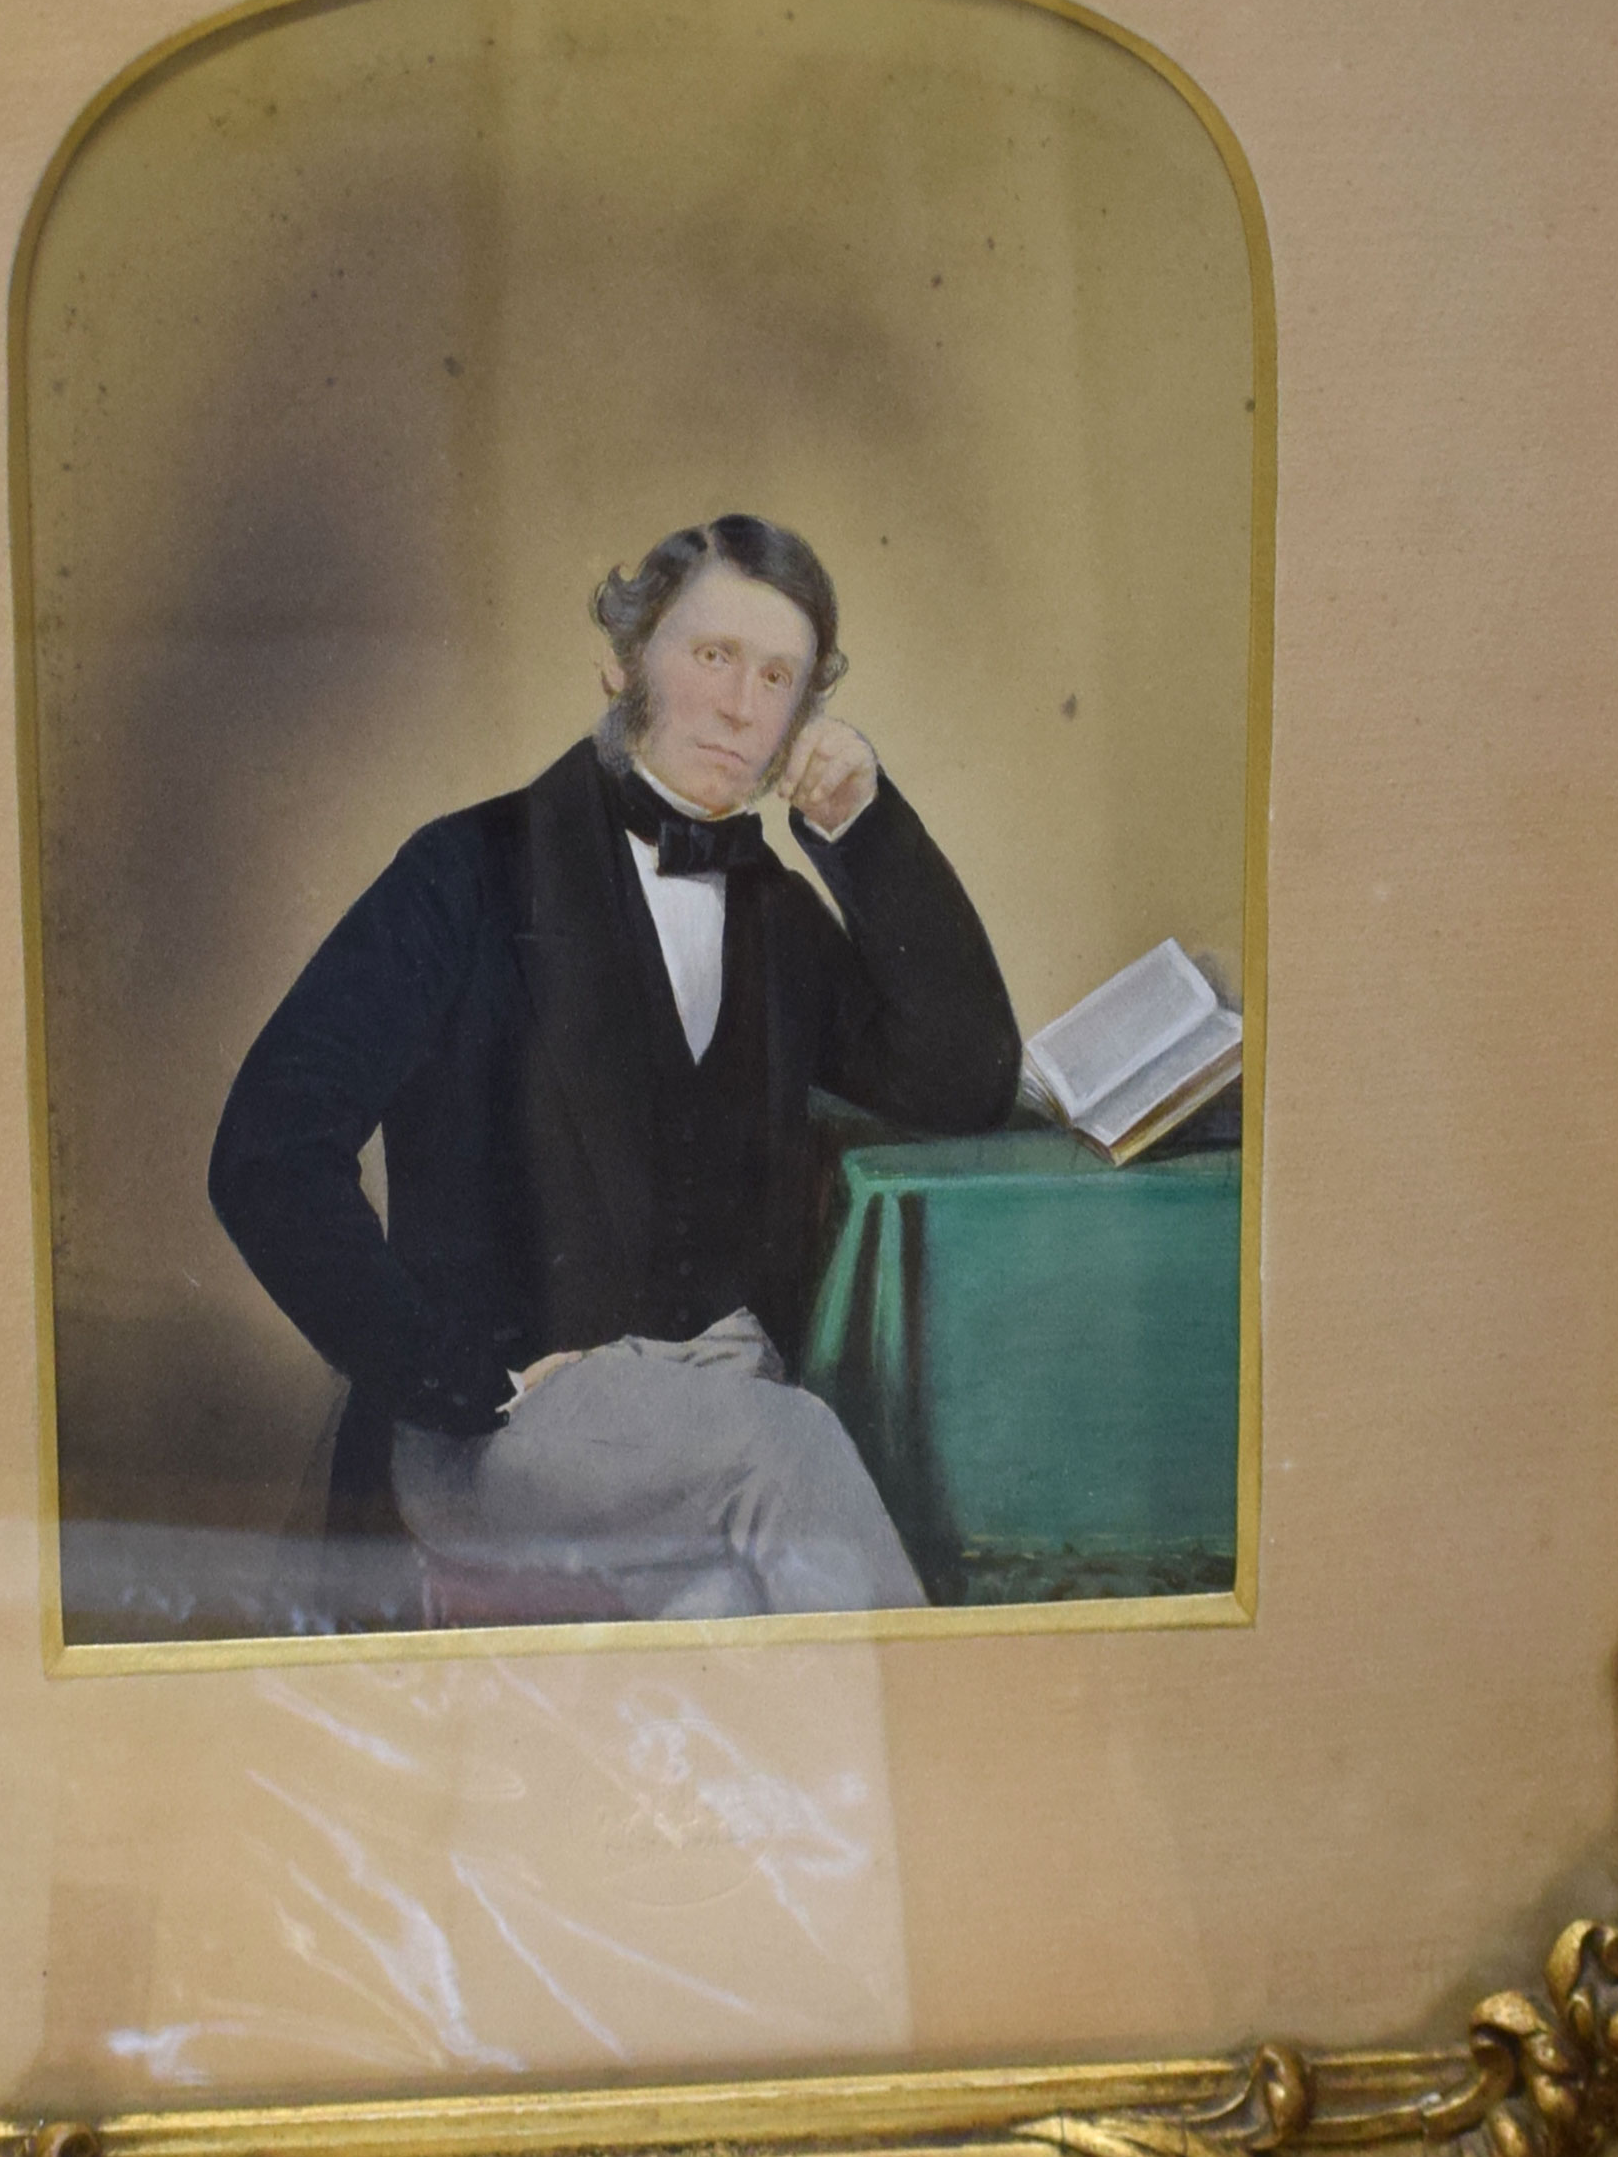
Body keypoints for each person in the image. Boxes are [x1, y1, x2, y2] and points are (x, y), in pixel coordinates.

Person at [208, 514, 1020, 1619]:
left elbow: (959, 1075)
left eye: (777, 675)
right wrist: (455, 1373)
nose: (741, 704)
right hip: (508, 1423)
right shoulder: (467, 869)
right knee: (788, 1449)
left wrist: (863, 831)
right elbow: (268, 1151)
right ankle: (956, 1756)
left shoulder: (776, 911)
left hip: (723, 1394)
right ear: (623, 660)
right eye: (712, 655)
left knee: (739, 1632)